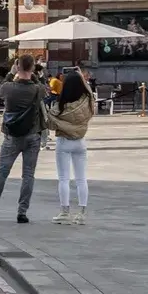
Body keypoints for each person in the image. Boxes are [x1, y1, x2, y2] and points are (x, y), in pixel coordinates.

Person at [0, 55, 45, 223]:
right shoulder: (38, 89)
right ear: (32, 68)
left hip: (11, 136)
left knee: (1, 173)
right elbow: (42, 88)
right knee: (28, 175)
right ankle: (22, 212)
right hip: (32, 135)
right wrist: (32, 73)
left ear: (17, 67)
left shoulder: (8, 87)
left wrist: (11, 73)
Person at [46, 66, 95, 225]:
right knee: (81, 179)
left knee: (64, 179)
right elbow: (89, 92)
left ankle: (65, 211)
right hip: (80, 142)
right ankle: (82, 213)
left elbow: (50, 124)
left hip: (63, 142)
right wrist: (81, 76)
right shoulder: (87, 102)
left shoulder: (60, 107)